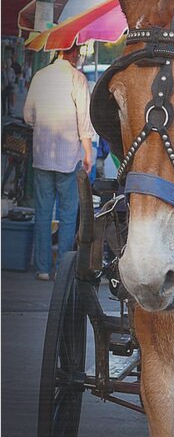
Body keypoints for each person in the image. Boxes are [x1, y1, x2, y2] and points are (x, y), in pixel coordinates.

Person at [23, 43, 94, 280]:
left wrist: (43, 128)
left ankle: (42, 268)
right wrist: (88, 154)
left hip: (42, 156)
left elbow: (28, 115)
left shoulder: (40, 76)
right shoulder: (77, 79)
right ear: (72, 53)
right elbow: (84, 122)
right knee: (67, 214)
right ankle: (63, 269)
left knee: (42, 212)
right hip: (69, 158)